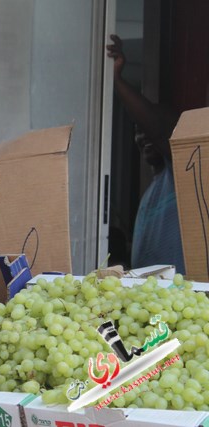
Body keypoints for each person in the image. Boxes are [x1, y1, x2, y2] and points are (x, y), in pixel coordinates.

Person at [106, 34, 184, 273]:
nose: (143, 137)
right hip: (150, 303)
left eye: (146, 130)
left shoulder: (180, 175)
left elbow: (159, 131)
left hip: (178, 301)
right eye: (137, 132)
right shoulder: (153, 190)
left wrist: (116, 80)